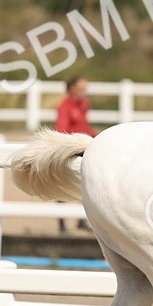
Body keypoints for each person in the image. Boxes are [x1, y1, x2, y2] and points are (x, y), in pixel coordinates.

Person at [55, 76, 96, 231]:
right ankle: (62, 223)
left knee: (85, 183)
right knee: (63, 185)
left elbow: (84, 125)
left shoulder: (84, 104)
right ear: (71, 88)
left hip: (83, 146)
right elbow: (62, 129)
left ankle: (80, 220)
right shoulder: (65, 106)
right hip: (72, 148)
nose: (83, 91)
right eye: (80, 87)